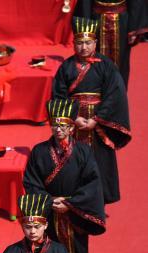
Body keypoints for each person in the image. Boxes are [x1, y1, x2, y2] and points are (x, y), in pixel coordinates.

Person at [23, 98, 105, 253]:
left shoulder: (83, 152)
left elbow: (92, 183)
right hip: (47, 220)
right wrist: (49, 202)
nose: (58, 129)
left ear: (71, 128)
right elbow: (31, 182)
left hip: (74, 218)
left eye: (63, 125)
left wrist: (70, 204)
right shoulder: (39, 152)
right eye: (54, 125)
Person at [52, 17, 131, 204]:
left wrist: (98, 118)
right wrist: (73, 118)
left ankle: (100, 198)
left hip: (98, 124)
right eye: (79, 43)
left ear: (95, 42)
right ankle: (73, 197)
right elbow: (58, 95)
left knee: (100, 159)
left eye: (88, 42)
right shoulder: (66, 67)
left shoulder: (106, 66)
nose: (84, 47)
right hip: (74, 123)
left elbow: (114, 94)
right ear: (73, 44)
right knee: (71, 158)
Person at [74, 0, 147, 86]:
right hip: (97, 21)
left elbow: (136, 2)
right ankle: (95, 92)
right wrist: (85, 25)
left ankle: (118, 94)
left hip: (121, 23)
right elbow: (85, 3)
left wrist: (133, 28)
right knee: (94, 59)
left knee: (121, 61)